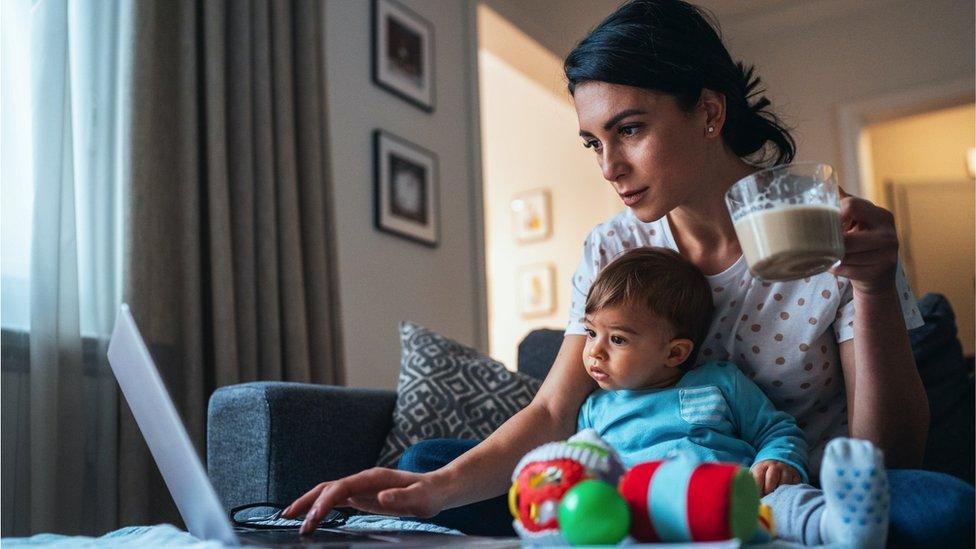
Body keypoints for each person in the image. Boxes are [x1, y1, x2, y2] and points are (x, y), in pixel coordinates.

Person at [283, 0, 974, 544]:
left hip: (792, 498)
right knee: (431, 458)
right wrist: (429, 488)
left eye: (630, 129)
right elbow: (555, 411)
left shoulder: (830, 227)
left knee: (941, 508)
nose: (608, 165)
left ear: (708, 112)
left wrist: (875, 286)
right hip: (636, 486)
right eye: (593, 141)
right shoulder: (612, 245)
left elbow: (889, 453)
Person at [574, 246, 886, 546]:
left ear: (675, 353)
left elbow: (776, 430)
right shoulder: (594, 411)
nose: (595, 351)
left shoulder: (719, 383)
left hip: (735, 501)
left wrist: (776, 459)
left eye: (617, 339)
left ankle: (840, 524)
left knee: (784, 503)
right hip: (650, 515)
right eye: (590, 332)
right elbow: (585, 468)